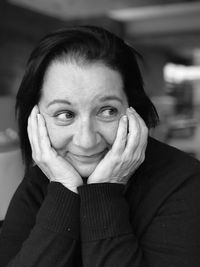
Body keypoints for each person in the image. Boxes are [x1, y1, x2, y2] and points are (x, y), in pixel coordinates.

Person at [0, 25, 200, 267]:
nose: (86, 141)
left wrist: (104, 194)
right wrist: (63, 190)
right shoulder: (40, 180)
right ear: (36, 119)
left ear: (133, 109)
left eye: (107, 111)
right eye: (65, 114)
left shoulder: (186, 181)